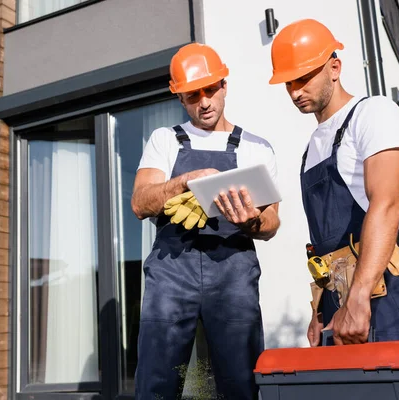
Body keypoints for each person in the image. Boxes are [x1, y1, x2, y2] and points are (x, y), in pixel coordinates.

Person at [268, 19, 399, 347]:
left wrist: (358, 297)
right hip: (338, 294)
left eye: (303, 78)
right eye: (288, 83)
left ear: (334, 67)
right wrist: (318, 311)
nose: (295, 91)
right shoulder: (312, 146)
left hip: (385, 283)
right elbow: (324, 248)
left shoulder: (373, 114)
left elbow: (387, 206)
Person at [131, 42, 280, 399]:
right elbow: (140, 202)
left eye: (211, 89)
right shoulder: (164, 140)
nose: (205, 101)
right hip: (172, 271)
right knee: (157, 380)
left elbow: (273, 222)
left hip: (233, 271)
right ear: (180, 99)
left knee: (240, 381)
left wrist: (250, 222)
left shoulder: (256, 148)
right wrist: (184, 181)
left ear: (224, 85)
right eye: (192, 95)